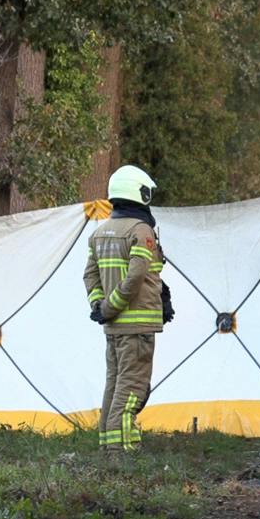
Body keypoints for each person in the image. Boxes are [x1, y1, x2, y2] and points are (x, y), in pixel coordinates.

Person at [84, 165, 166, 451]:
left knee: (114, 386)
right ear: (137, 193)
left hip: (114, 329)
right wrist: (110, 306)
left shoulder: (101, 232)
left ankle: (109, 447)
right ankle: (122, 455)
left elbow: (90, 275)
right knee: (132, 390)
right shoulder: (141, 230)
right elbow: (136, 275)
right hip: (136, 328)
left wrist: (98, 305)